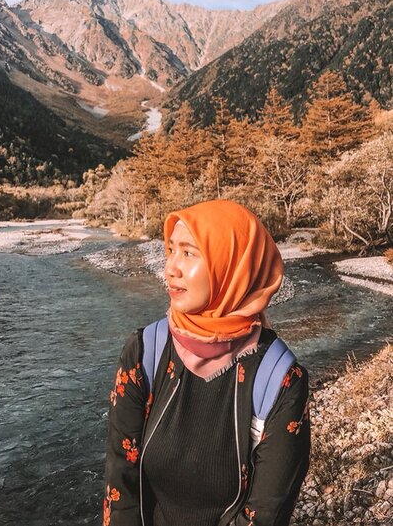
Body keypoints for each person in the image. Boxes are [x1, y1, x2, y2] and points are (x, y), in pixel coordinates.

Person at [103, 200, 310, 526]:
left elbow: (265, 513)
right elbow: (121, 482)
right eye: (170, 250)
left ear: (231, 266)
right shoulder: (145, 351)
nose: (170, 267)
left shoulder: (280, 379)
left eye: (189, 253)